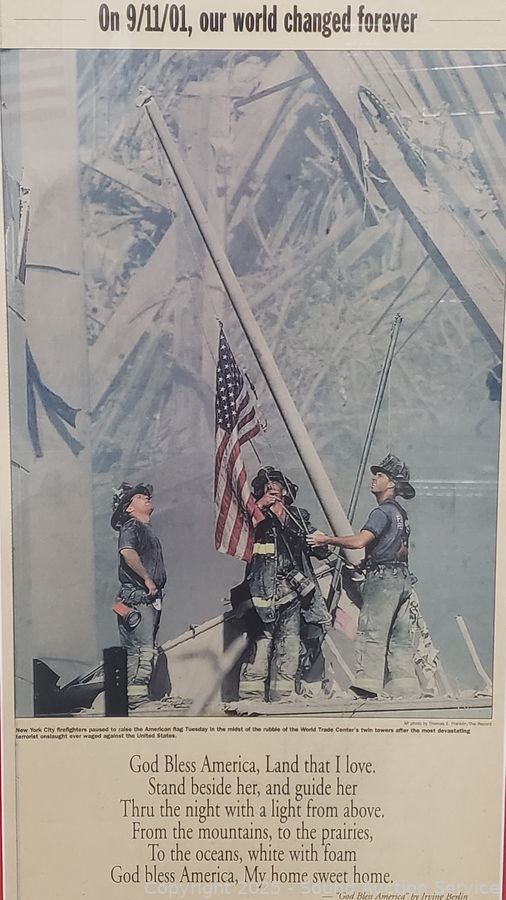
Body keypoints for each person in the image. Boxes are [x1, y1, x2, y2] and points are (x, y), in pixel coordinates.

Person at [307, 454, 419, 700]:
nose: (373, 479)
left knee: (372, 632)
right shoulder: (401, 514)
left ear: (391, 483)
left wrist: (325, 539)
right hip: (402, 579)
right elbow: (400, 549)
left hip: (383, 579)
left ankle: (367, 687)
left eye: (379, 475)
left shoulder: (382, 512)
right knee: (399, 637)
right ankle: (405, 688)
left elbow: (359, 541)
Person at [236, 466, 331, 702]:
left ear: (285, 492)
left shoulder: (298, 518)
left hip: (293, 593)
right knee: (261, 643)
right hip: (261, 592)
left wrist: (322, 542)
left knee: (289, 644)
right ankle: (250, 697)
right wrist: (258, 507)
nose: (270, 486)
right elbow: (240, 533)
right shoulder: (254, 517)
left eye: (276, 484)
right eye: (265, 486)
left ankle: (283, 695)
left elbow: (322, 550)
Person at [110, 482, 167, 709]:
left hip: (147, 599)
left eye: (146, 496)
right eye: (140, 497)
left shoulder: (144, 529)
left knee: (144, 649)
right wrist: (146, 578)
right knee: (141, 651)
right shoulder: (132, 525)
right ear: (129, 508)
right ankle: (136, 699)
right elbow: (127, 552)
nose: (146, 498)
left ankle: (139, 697)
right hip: (137, 598)